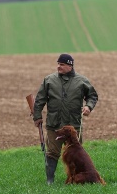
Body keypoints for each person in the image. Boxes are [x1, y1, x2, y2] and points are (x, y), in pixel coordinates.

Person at [32, 53, 98, 184]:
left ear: (70, 65)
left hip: (73, 125)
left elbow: (92, 96)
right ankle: (50, 180)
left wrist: (88, 107)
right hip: (54, 124)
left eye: (61, 64)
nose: (58, 67)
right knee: (52, 153)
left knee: (77, 153)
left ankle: (78, 179)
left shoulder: (82, 81)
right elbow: (40, 99)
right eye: (58, 64)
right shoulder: (49, 80)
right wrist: (37, 116)